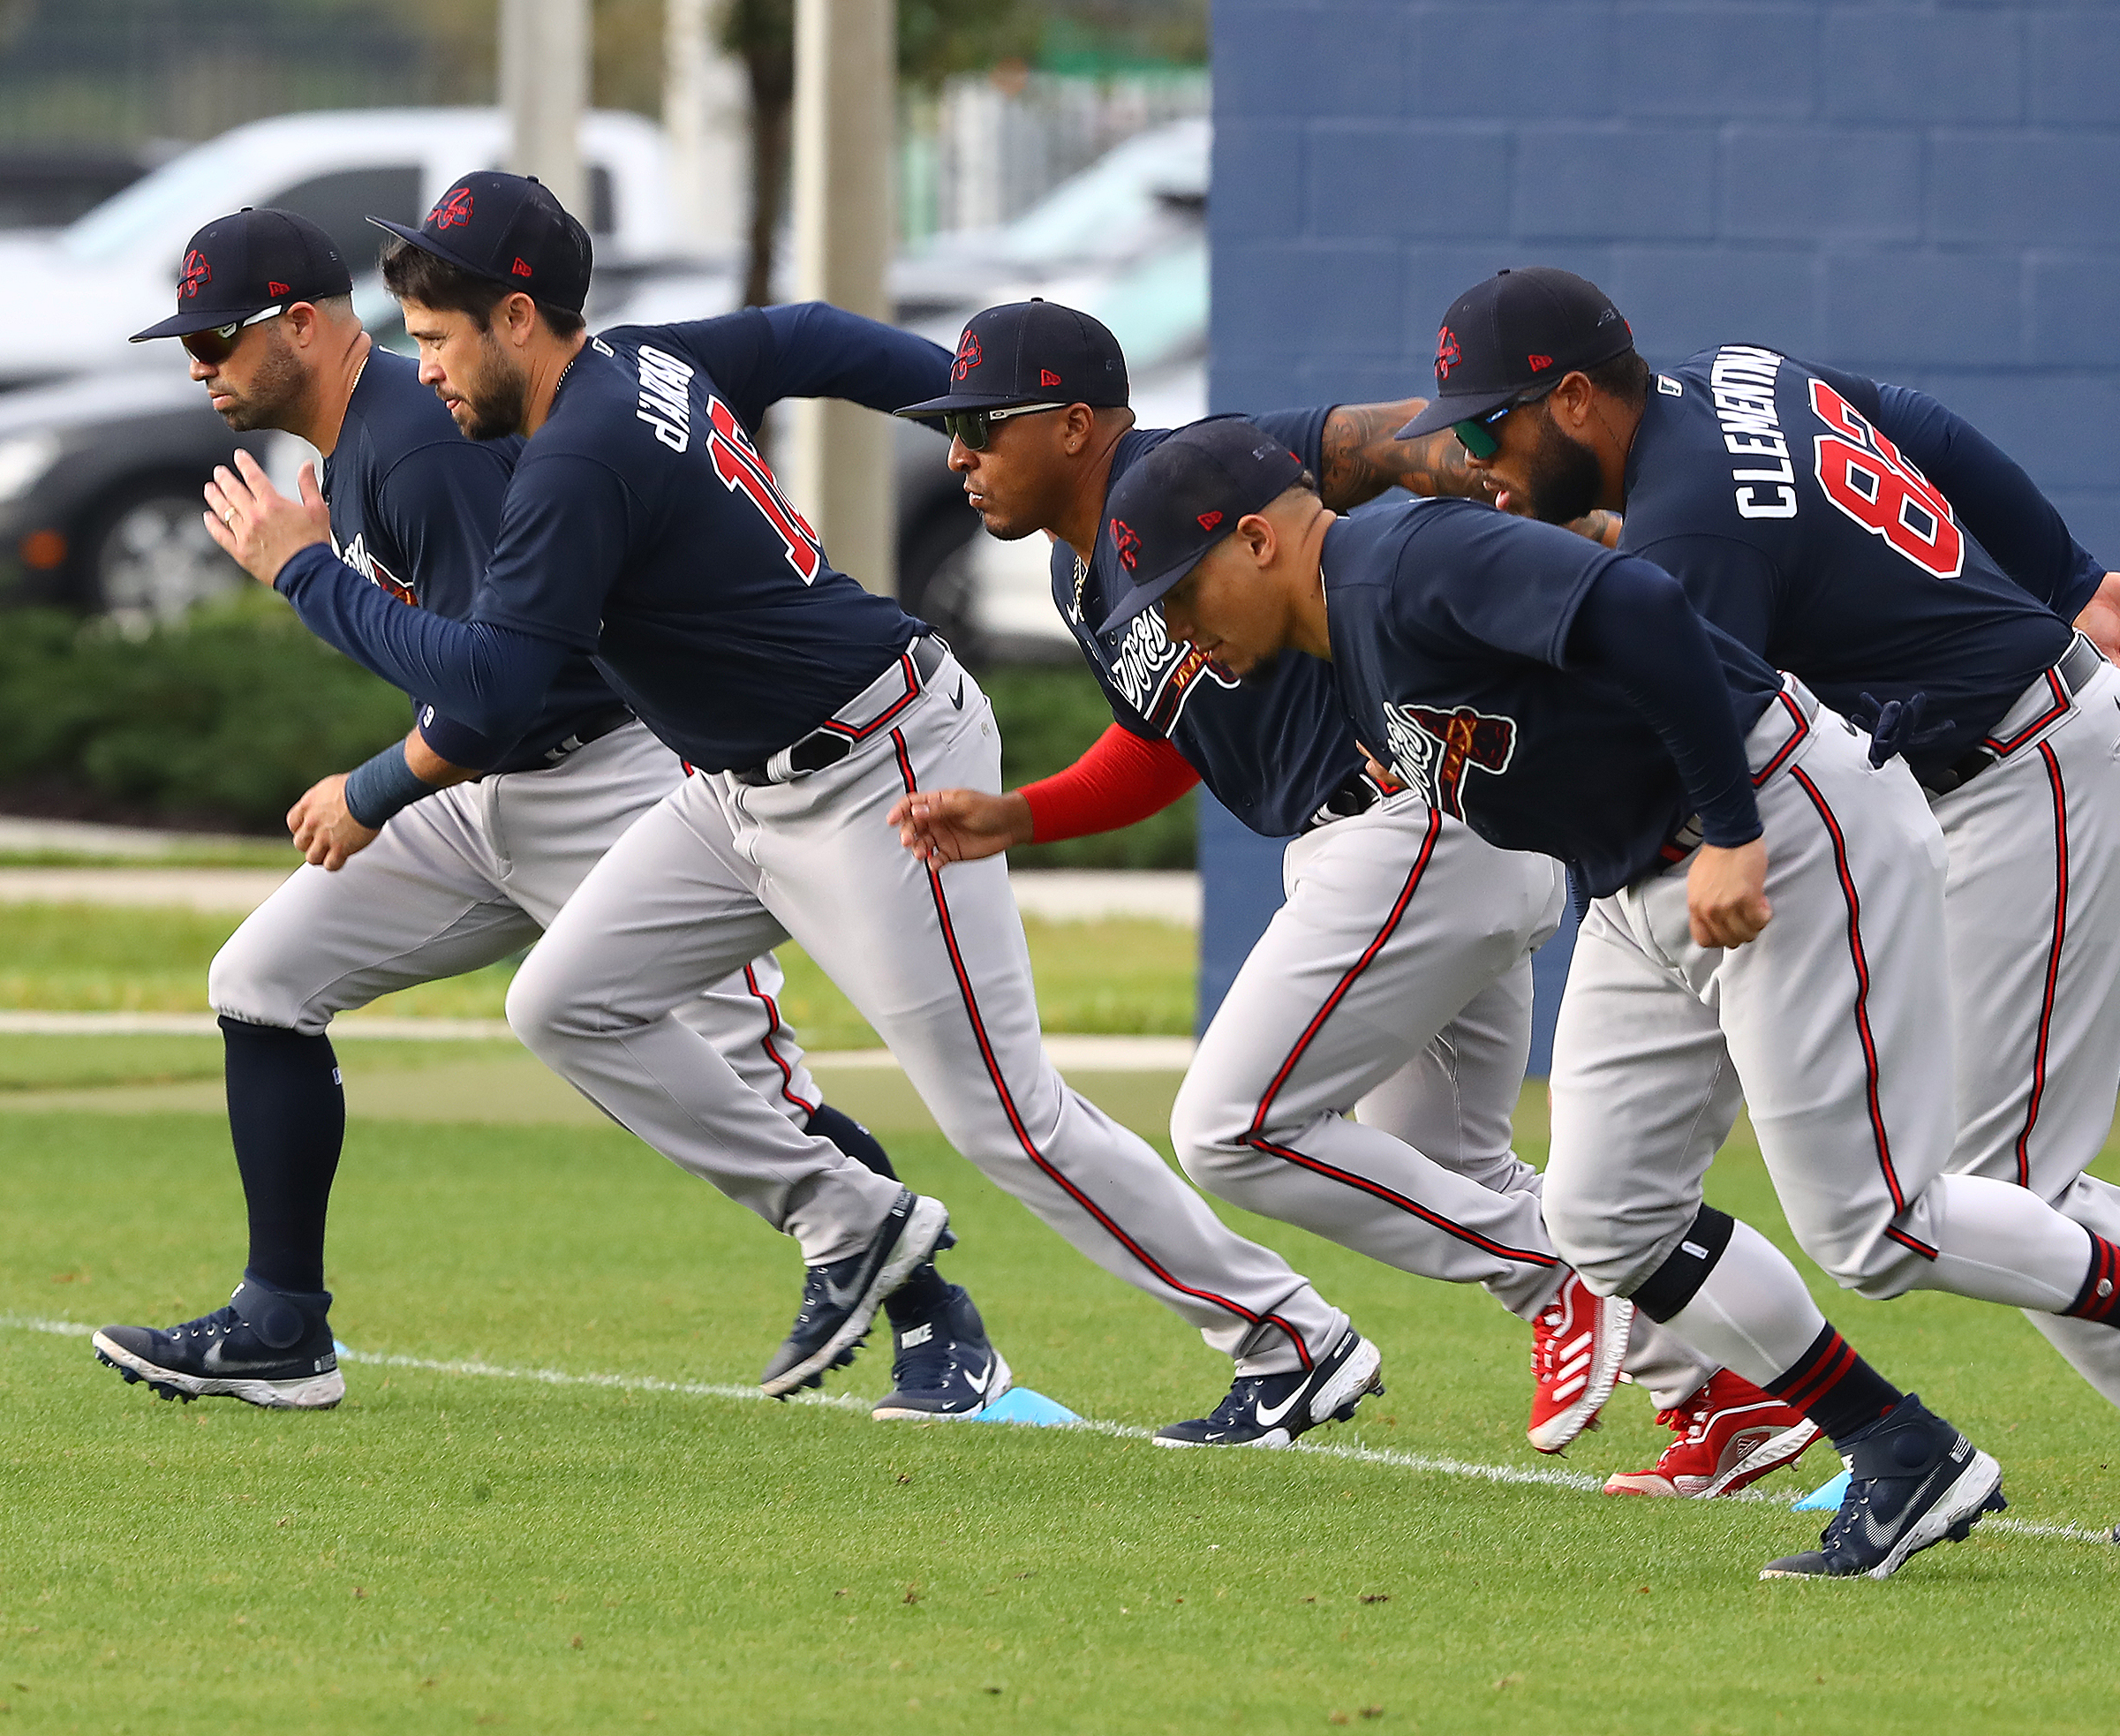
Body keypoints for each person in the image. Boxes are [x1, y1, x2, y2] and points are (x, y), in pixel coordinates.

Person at [200, 172, 1381, 1445]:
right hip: (736, 785)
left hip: (880, 763)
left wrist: (307, 572)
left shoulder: (580, 453)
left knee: (1007, 1117)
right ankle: (858, 1220)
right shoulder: (632, 366)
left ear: (523, 318)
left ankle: (1293, 1338)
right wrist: (979, 416)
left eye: (438, 338)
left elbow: (487, 700)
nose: (420, 366)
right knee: (564, 1001)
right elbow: (807, 334)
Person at [1098, 415, 2120, 1581]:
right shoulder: (1345, 638)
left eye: (1182, 598)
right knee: (1606, 1212)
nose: (1183, 640)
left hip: (1775, 818)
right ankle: (1899, 1446)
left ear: (1257, 541)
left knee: (1875, 1226)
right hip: (1643, 875)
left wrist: (1729, 826)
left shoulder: (1405, 559)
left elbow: (1644, 604)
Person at [1419, 264, 2120, 1547]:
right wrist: (2071, 570)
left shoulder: (1690, 533)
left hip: (2035, 780)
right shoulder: (1733, 377)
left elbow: (1699, 725)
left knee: (1985, 1187)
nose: (1479, 452)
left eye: (1493, 424)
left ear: (1577, 399)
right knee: (1982, 1183)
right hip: (2004, 760)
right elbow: (1913, 419)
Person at [90, 206, 950, 1415]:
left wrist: (317, 614)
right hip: (485, 786)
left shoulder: (410, 447)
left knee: (762, 1100)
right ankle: (283, 1323)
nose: (197, 363)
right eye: (187, 339)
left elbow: (501, 689)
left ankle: (938, 1322)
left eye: (218, 335)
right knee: (262, 979)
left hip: (607, 778)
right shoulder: (371, 440)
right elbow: (476, 692)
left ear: (298, 323)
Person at [884, 298, 1641, 1453]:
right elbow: (1162, 740)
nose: (960, 457)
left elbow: (1397, 441)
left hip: (1418, 822)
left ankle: (1550, 1278)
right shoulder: (1076, 577)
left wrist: (1555, 504)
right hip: (1394, 851)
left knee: (1234, 1124)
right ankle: (1745, 1379)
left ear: (1078, 424)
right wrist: (1024, 813)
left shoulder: (1212, 466)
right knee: (1454, 1163)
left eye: (985, 425)